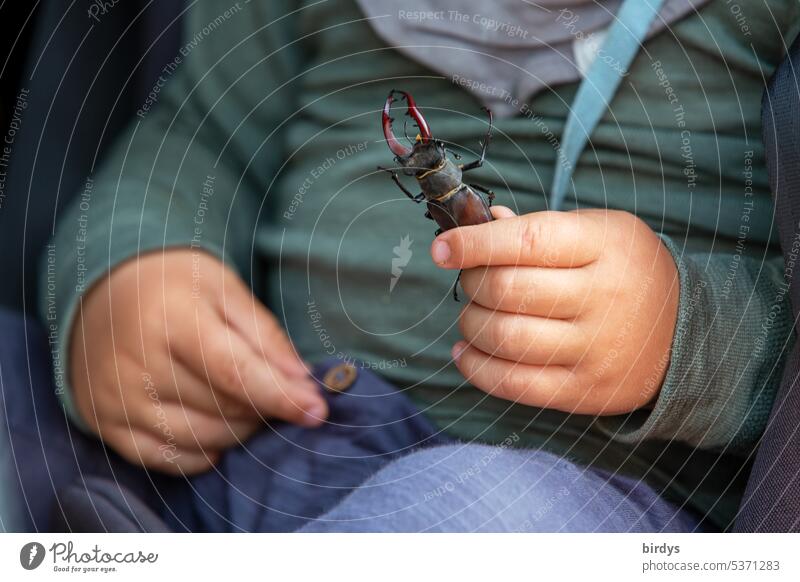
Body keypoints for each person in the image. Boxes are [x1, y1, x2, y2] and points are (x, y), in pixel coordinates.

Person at [42, 0, 799, 531]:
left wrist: (684, 335)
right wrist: (130, 273)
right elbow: (196, 138)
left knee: (484, 509)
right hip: (261, 444)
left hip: (575, 511)